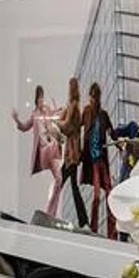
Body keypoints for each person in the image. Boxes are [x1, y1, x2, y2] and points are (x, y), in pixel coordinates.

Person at [11, 86, 67, 219]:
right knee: (55, 143)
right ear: (36, 101)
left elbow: (54, 113)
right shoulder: (34, 114)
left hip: (51, 152)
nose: (42, 102)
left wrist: (61, 109)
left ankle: (50, 213)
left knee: (59, 179)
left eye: (43, 98)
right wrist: (16, 119)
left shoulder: (47, 109)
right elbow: (24, 127)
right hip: (42, 153)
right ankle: (58, 142)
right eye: (40, 99)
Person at [80, 81, 118, 238]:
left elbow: (111, 132)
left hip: (102, 159)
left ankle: (112, 232)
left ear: (98, 98)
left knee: (110, 193)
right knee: (96, 196)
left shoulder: (103, 115)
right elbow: (76, 126)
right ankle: (93, 228)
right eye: (91, 97)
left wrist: (121, 144)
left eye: (95, 97)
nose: (92, 100)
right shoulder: (87, 111)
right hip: (92, 160)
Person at [58, 76, 89, 228]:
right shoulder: (76, 106)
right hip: (74, 151)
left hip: (72, 152)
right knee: (71, 185)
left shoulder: (73, 105)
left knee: (60, 182)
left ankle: (48, 211)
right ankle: (84, 221)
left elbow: (67, 127)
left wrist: (57, 122)